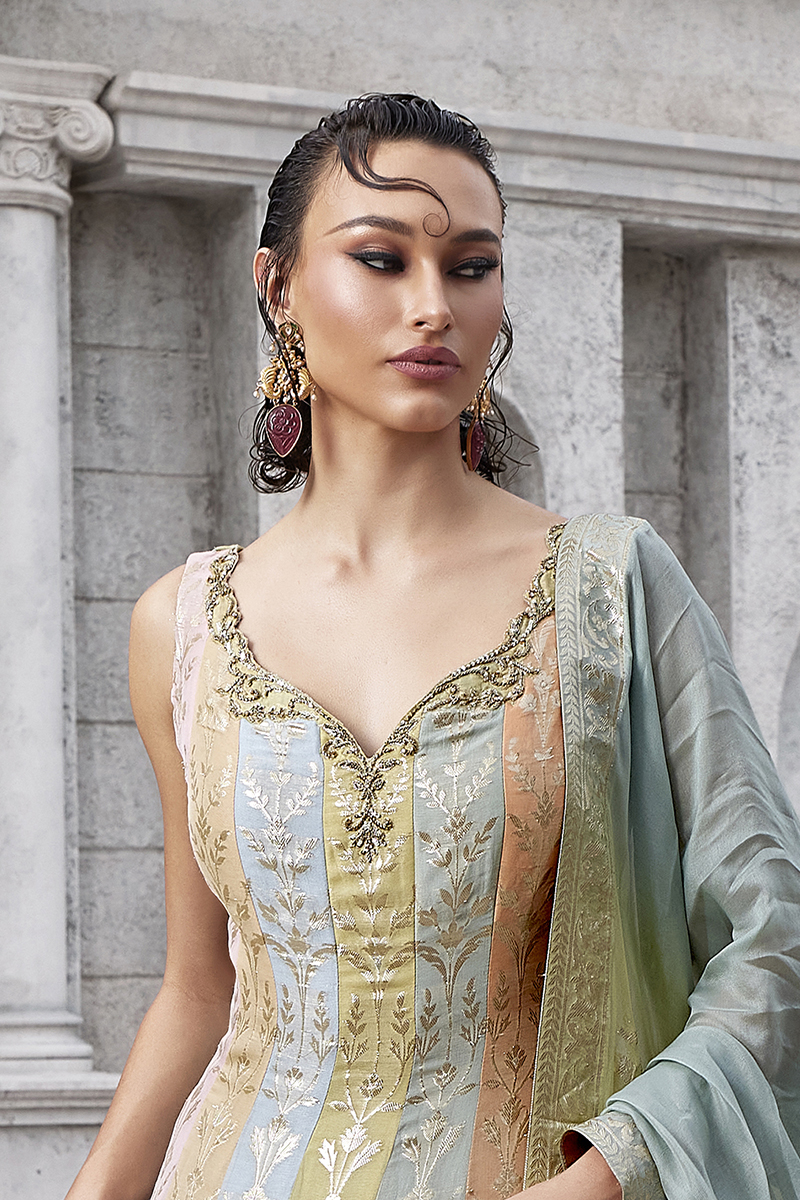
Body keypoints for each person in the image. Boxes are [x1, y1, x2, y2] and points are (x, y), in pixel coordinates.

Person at [66, 94, 800, 1200]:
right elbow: (198, 991)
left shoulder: (611, 590)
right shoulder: (185, 624)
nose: (432, 306)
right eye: (380, 258)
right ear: (277, 286)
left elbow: (772, 935)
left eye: (469, 267)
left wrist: (604, 1175)